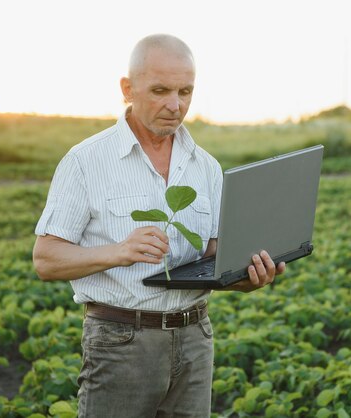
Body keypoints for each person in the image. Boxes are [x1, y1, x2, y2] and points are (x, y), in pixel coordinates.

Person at [32, 33, 285, 418]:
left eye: (186, 91)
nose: (175, 104)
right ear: (127, 89)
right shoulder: (86, 161)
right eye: (161, 90)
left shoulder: (207, 168)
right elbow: (46, 259)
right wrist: (118, 252)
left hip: (195, 338)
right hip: (121, 342)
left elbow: (215, 259)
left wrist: (246, 277)